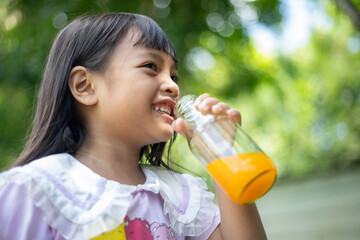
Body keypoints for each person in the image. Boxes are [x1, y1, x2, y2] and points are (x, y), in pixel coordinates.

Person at [0, 12, 266, 240]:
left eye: (174, 75)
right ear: (85, 86)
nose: (173, 86)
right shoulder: (35, 191)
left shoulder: (181, 198)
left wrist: (223, 153)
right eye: (151, 66)